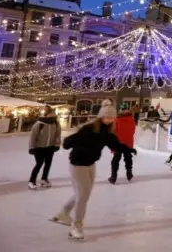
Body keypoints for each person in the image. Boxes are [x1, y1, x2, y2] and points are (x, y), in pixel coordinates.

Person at [49, 100, 137, 240]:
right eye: (107, 117)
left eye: (111, 117)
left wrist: (128, 149)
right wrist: (75, 143)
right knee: (83, 196)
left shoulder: (107, 131)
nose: (109, 119)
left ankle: (63, 213)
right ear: (101, 116)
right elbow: (68, 142)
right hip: (78, 165)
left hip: (91, 164)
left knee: (83, 194)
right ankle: (76, 227)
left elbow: (115, 144)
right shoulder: (89, 129)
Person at [28, 105, 62, 190]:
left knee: (48, 164)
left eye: (53, 113)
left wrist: (57, 145)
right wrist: (32, 148)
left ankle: (44, 179)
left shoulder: (56, 124)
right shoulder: (39, 124)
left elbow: (58, 135)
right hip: (39, 147)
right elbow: (33, 136)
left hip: (50, 147)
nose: (53, 115)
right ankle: (32, 181)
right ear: (47, 114)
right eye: (51, 113)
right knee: (39, 164)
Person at [108, 104, 136, 184]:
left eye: (124, 109)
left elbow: (113, 131)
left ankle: (113, 177)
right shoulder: (132, 119)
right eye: (123, 109)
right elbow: (133, 130)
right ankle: (129, 173)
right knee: (127, 157)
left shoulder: (117, 120)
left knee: (116, 159)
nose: (124, 110)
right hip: (128, 142)